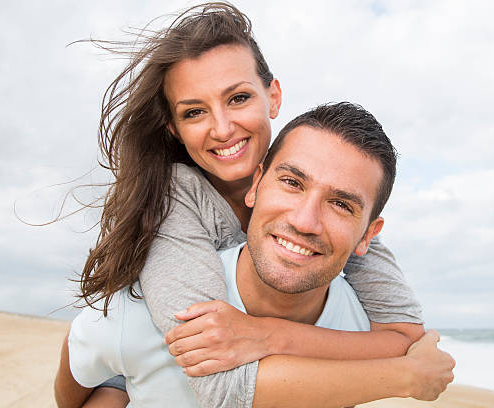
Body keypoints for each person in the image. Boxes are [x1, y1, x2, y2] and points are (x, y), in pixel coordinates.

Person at [54, 3, 430, 407]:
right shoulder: (172, 199)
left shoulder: (324, 195)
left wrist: (269, 334)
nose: (222, 128)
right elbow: (216, 374)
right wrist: (402, 377)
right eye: (194, 112)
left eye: (237, 98)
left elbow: (405, 334)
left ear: (273, 97)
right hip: (149, 358)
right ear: (173, 128)